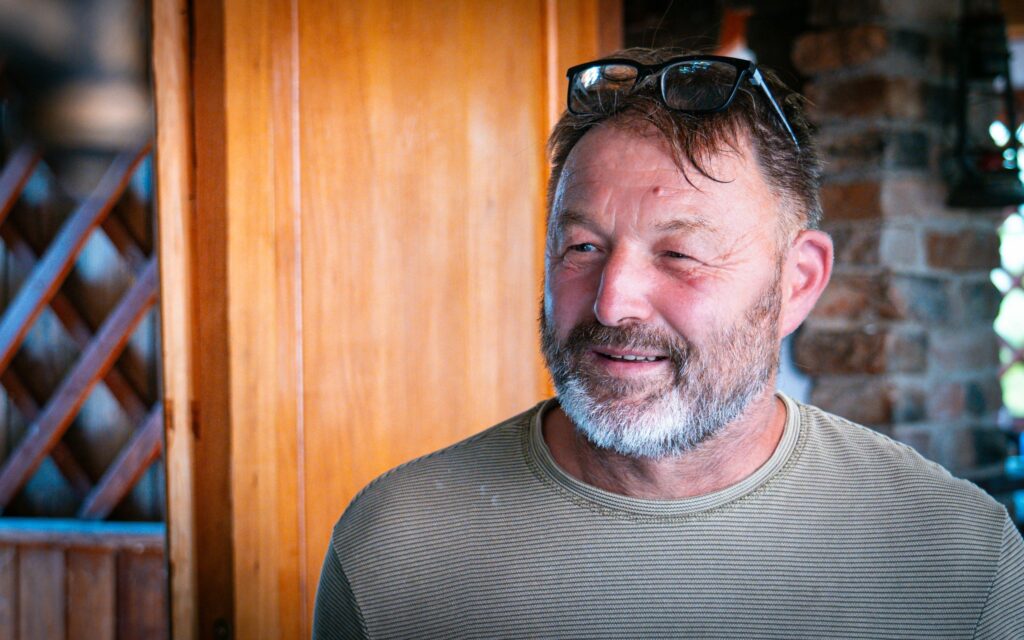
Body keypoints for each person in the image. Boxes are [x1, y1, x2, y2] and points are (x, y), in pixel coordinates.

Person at [312, 48, 1024, 639]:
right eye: (582, 246)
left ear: (798, 282)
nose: (612, 301)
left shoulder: (962, 560)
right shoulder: (392, 550)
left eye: (680, 254)